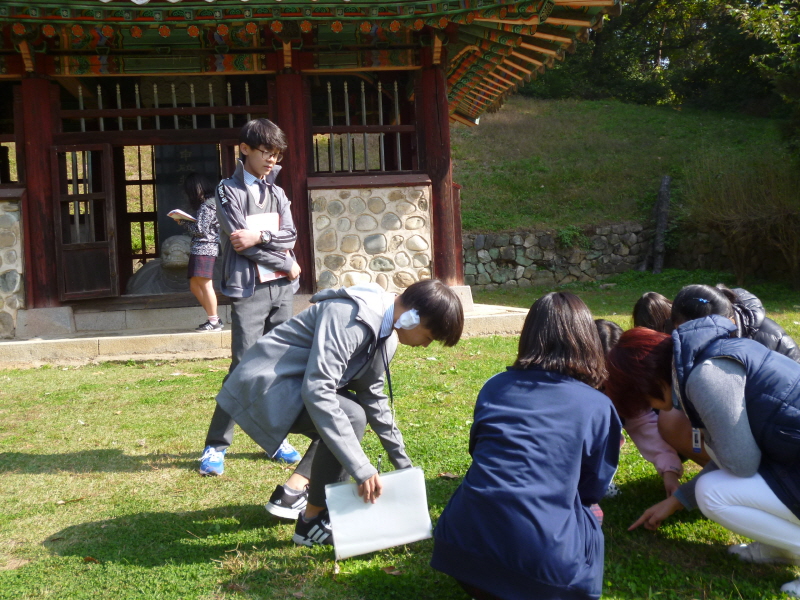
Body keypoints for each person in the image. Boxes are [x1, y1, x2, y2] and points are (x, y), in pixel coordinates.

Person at [216, 279, 463, 547]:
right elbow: (318, 391)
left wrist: (404, 468)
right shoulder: (349, 316)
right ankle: (312, 521)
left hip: (291, 388)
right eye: (429, 337)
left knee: (348, 414)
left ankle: (294, 494)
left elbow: (373, 396)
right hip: (263, 387)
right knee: (350, 415)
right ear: (412, 317)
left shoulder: (387, 333)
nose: (426, 346)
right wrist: (362, 469)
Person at [431, 292, 621, 600]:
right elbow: (592, 488)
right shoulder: (597, 406)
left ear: (529, 336)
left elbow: (479, 450)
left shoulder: (494, 386)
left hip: (461, 553)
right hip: (546, 572)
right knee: (592, 513)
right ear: (588, 340)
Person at [605, 321, 800, 598]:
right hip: (789, 459)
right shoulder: (709, 354)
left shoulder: (705, 378)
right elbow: (735, 454)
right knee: (712, 485)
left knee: (712, 493)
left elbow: (740, 463)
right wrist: (676, 501)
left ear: (652, 382)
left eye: (646, 401)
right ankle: (782, 546)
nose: (652, 409)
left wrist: (706, 443)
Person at [199, 118, 303, 476]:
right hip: (250, 289)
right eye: (265, 153)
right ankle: (215, 446)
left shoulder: (278, 193)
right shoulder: (227, 191)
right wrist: (286, 263)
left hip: (282, 290)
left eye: (276, 155)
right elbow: (238, 243)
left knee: (280, 366)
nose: (271, 161)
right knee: (243, 366)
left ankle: (276, 439)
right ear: (244, 149)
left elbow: (288, 235)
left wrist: (261, 239)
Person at [595, 317, 685, 497]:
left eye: (614, 376)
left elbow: (646, 427)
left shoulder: (624, 391)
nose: (607, 381)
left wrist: (669, 470)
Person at [169, 173, 222, 331]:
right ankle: (214, 318)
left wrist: (183, 221)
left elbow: (201, 230)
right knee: (194, 285)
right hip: (201, 248)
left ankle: (213, 321)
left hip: (204, 247)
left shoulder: (208, 205)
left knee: (206, 285)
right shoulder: (212, 203)